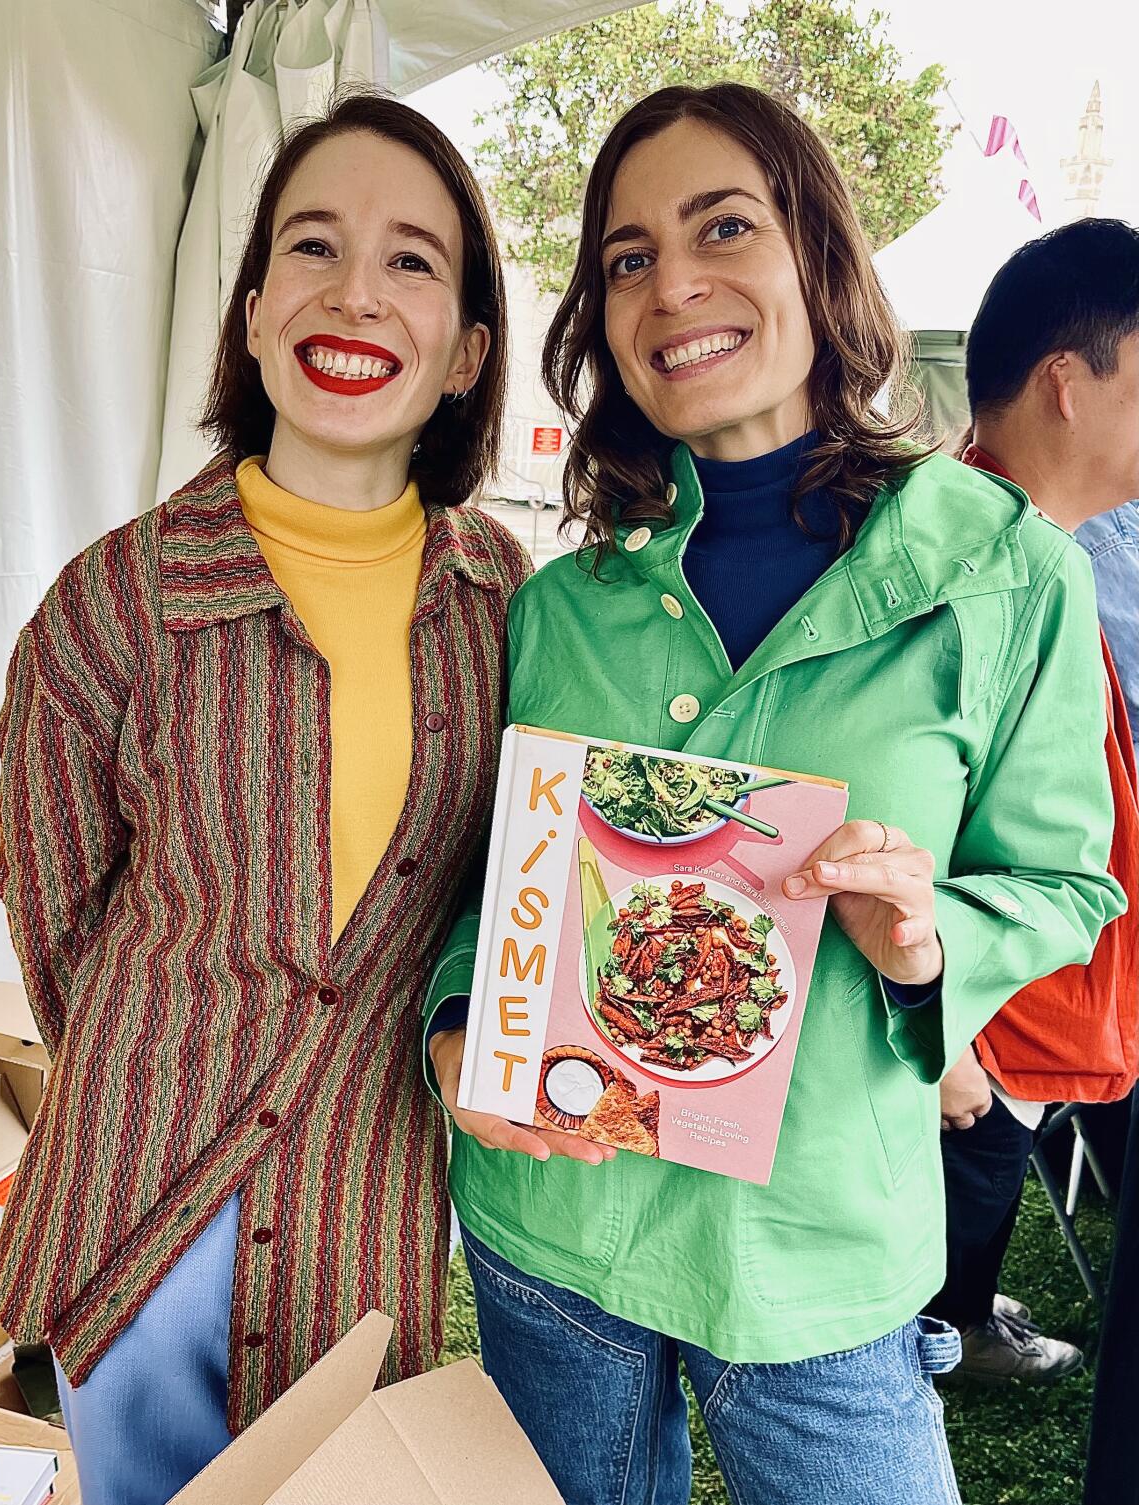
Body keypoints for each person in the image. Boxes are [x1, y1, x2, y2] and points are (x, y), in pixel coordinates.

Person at [423, 83, 1125, 1505]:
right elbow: (493, 873)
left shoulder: (1007, 570)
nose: (674, 283)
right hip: (560, 1224)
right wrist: (456, 1020)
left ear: (816, 253)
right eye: (628, 258)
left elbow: (1071, 887)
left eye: (723, 226)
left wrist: (937, 938)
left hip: (820, 1246)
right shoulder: (561, 604)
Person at [0, 92, 528, 1505]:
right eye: (312, 245)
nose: (356, 290)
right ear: (249, 308)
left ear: (470, 348)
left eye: (414, 259)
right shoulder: (116, 604)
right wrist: (159, 1064)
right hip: (138, 1210)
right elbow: (53, 908)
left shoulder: (506, 606)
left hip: (363, 1208)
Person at [931, 219, 1139, 1388]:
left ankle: (955, 1316)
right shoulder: (971, 557)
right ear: (1068, 381)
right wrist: (941, 1031)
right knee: (973, 1157)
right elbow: (899, 803)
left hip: (1036, 990)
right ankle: (949, 1329)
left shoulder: (1041, 547)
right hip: (977, 1009)